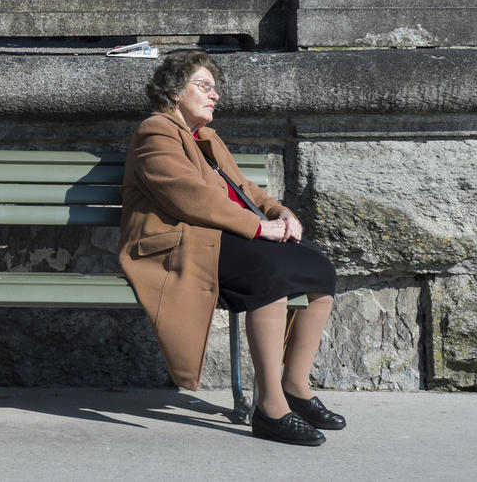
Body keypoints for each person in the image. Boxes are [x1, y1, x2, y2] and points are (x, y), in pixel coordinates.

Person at [119, 51, 344, 446]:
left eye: (215, 88)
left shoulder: (205, 138)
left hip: (216, 236)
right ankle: (270, 409)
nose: (215, 95)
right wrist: (259, 227)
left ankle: (295, 386)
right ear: (174, 92)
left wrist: (281, 213)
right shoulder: (155, 131)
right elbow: (186, 198)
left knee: (319, 269)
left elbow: (245, 190)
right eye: (204, 86)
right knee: (266, 275)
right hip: (175, 243)